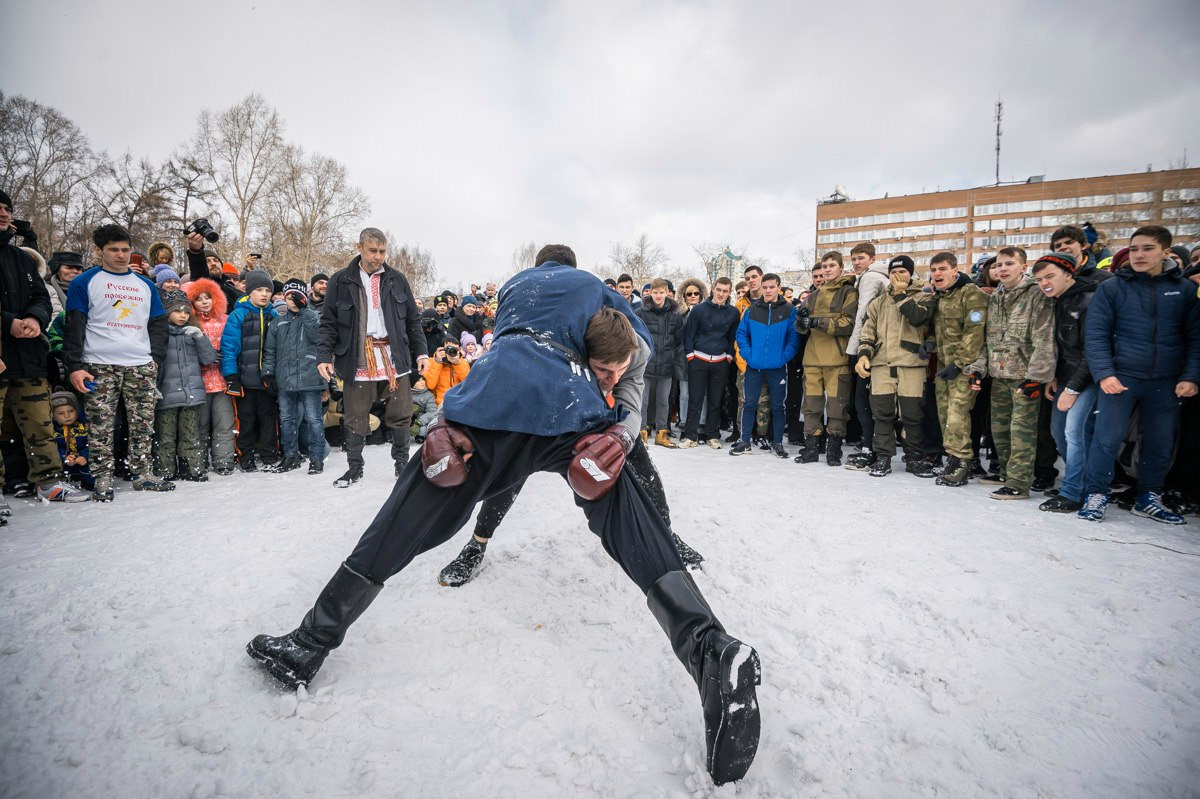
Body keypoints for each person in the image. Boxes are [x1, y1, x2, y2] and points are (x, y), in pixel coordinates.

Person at [246, 245, 761, 786]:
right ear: (569, 263)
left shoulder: (516, 286)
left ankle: (309, 644)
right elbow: (641, 342)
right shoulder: (591, 286)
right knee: (628, 518)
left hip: (497, 400)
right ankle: (710, 650)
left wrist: (446, 416)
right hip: (573, 408)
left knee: (405, 518)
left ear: (539, 265)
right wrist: (621, 422)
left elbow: (501, 352)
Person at [1078, 226, 1200, 524]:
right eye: (1134, 249)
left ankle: (1149, 495)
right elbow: (1096, 335)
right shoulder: (1113, 288)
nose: (1139, 255)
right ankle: (1096, 493)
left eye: (1148, 248)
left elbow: (1195, 337)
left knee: (1159, 441)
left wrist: (1190, 376)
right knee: (1107, 439)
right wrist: (1105, 373)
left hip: (1166, 380)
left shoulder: (1184, 290)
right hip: (1121, 378)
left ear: (1166, 252)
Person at [63, 223, 173, 500]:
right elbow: (74, 326)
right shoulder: (84, 282)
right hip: (99, 364)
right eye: (114, 250)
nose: (121, 255)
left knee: (143, 424)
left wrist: (155, 359)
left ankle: (143, 473)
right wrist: (74, 366)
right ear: (99, 251)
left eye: (125, 250)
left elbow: (158, 325)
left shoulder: (145, 285)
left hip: (140, 364)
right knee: (101, 426)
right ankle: (102, 479)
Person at [317, 228, 428, 487]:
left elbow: (413, 320)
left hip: (394, 356)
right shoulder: (340, 280)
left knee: (401, 412)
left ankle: (402, 466)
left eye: (382, 251)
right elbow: (328, 322)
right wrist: (324, 355)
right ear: (359, 247)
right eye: (372, 250)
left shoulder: (397, 279)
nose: (378, 256)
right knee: (356, 415)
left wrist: (421, 351)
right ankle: (355, 468)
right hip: (358, 357)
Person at [0, 192, 87, 506]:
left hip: (29, 357)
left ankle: (48, 480)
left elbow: (40, 295)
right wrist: (7, 321)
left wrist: (35, 319)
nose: (4, 214)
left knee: (39, 422)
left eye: (8, 208)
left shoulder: (21, 258)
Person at [966, 247, 1056, 501]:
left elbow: (1044, 337)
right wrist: (978, 369)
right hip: (999, 374)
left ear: (1023, 267)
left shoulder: (1036, 295)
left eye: (1009, 264)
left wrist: (1036, 377)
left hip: (1024, 376)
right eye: (999, 265)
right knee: (1000, 429)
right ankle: (1006, 472)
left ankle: (1019, 482)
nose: (1003, 269)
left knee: (1022, 431)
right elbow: (988, 339)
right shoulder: (996, 297)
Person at [852, 256, 937, 477]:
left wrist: (900, 294)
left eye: (903, 271)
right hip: (881, 365)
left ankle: (914, 458)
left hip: (912, 366)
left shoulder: (924, 297)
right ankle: (883, 457)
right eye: (893, 271)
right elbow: (868, 332)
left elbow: (918, 318)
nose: (898, 275)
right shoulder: (879, 302)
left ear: (912, 274)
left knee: (912, 416)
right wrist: (863, 355)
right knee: (882, 415)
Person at [1031, 253, 1098, 513]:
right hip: (1065, 377)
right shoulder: (1055, 302)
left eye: (1050, 276)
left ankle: (1074, 492)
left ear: (1068, 274)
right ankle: (1077, 482)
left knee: (1075, 432)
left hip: (1089, 378)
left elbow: (1092, 351)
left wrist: (1072, 388)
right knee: (1059, 433)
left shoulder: (1089, 300)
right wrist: (1053, 376)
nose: (1044, 283)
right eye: (1039, 280)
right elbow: (1058, 347)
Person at [925, 252, 990, 488]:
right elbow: (935, 328)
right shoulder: (941, 297)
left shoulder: (971, 294)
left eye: (942, 269)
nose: (937, 274)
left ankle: (963, 461)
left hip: (966, 367)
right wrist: (930, 343)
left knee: (957, 413)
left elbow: (975, 332)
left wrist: (959, 363)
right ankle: (953, 458)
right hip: (944, 367)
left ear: (955, 270)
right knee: (944, 414)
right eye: (933, 270)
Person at [795, 252, 858, 466]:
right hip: (812, 359)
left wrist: (817, 322)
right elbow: (801, 325)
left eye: (832, 265)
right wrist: (802, 323)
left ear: (841, 267)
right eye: (825, 266)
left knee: (837, 407)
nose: (828, 269)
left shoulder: (848, 292)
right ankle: (811, 447)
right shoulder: (813, 295)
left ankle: (834, 449)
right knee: (811, 406)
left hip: (837, 360)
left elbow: (847, 323)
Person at [731, 273, 800, 458]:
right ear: (761, 288)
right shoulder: (752, 310)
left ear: (779, 287)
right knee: (749, 404)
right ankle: (745, 441)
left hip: (777, 367)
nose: (768, 290)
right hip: (754, 366)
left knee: (778, 406)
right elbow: (741, 334)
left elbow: (794, 337)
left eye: (772, 287)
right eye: (765, 287)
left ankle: (777, 443)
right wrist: (749, 355)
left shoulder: (789, 309)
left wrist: (784, 356)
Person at [263, 280, 328, 475]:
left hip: (311, 378)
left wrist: (305, 309)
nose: (292, 301)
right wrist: (268, 373)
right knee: (287, 420)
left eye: (296, 297)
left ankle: (316, 459)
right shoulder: (277, 322)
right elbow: (269, 352)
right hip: (285, 380)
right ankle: (290, 456)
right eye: (288, 297)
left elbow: (319, 338)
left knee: (314, 419)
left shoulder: (314, 317)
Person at [153, 289, 217, 481]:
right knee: (166, 436)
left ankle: (192, 468)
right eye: (177, 311)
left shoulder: (192, 333)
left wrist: (200, 337)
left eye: (186, 311)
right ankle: (165, 470)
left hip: (191, 394)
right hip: (167, 395)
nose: (183, 315)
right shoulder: (159, 335)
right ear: (166, 312)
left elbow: (209, 359)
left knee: (191, 434)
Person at [222, 269, 280, 471]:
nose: (264, 294)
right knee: (245, 421)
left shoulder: (274, 316)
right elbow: (229, 347)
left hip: (267, 381)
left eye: (267, 290)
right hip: (245, 380)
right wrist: (231, 376)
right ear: (249, 291)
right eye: (259, 290)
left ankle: (269, 454)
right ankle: (245, 456)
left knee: (268, 420)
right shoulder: (238, 315)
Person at [185, 278, 237, 476]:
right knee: (200, 425)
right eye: (199, 299)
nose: (205, 302)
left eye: (208, 297)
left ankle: (223, 460)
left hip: (222, 381)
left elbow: (232, 344)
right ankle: (198, 461)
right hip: (199, 381)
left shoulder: (226, 319)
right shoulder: (190, 322)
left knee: (224, 423)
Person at [680, 276, 739, 449]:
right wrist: (690, 355)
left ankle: (712, 435)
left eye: (725, 291)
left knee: (716, 400)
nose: (721, 294)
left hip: (720, 361)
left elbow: (732, 337)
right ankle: (690, 436)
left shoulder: (734, 312)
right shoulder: (698, 310)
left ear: (729, 292)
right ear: (713, 289)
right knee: (695, 399)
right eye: (718, 290)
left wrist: (728, 356)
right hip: (698, 359)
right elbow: (689, 334)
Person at [845, 242, 887, 460]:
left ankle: (869, 447)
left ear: (872, 259)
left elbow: (863, 316)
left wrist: (854, 350)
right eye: (853, 259)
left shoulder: (871, 278)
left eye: (861, 258)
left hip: (870, 349)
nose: (856, 263)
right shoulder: (869, 278)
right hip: (874, 346)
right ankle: (869, 443)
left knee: (864, 401)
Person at [636, 278, 684, 448]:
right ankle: (641, 432)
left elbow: (678, 341)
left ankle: (662, 433)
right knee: (643, 400)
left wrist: (675, 362)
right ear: (650, 293)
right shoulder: (641, 313)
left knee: (664, 400)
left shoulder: (675, 316)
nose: (658, 296)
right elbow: (637, 338)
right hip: (647, 364)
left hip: (667, 364)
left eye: (661, 292)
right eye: (655, 292)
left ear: (667, 293)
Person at [50, 391, 94, 490]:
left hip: (84, 462)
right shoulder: (51, 430)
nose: (67, 416)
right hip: (65, 464)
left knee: (92, 483)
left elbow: (92, 443)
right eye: (61, 413)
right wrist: (64, 458)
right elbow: (52, 449)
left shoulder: (85, 424)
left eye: (71, 411)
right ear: (53, 415)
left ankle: (87, 480)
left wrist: (84, 456)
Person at [424, 337, 470, 404]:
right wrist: (438, 362)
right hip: (439, 403)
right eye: (448, 349)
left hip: (459, 401)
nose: (451, 352)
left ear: (459, 350)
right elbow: (430, 385)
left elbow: (468, 385)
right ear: (442, 349)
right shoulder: (432, 361)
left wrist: (458, 364)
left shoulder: (463, 363)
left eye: (455, 349)